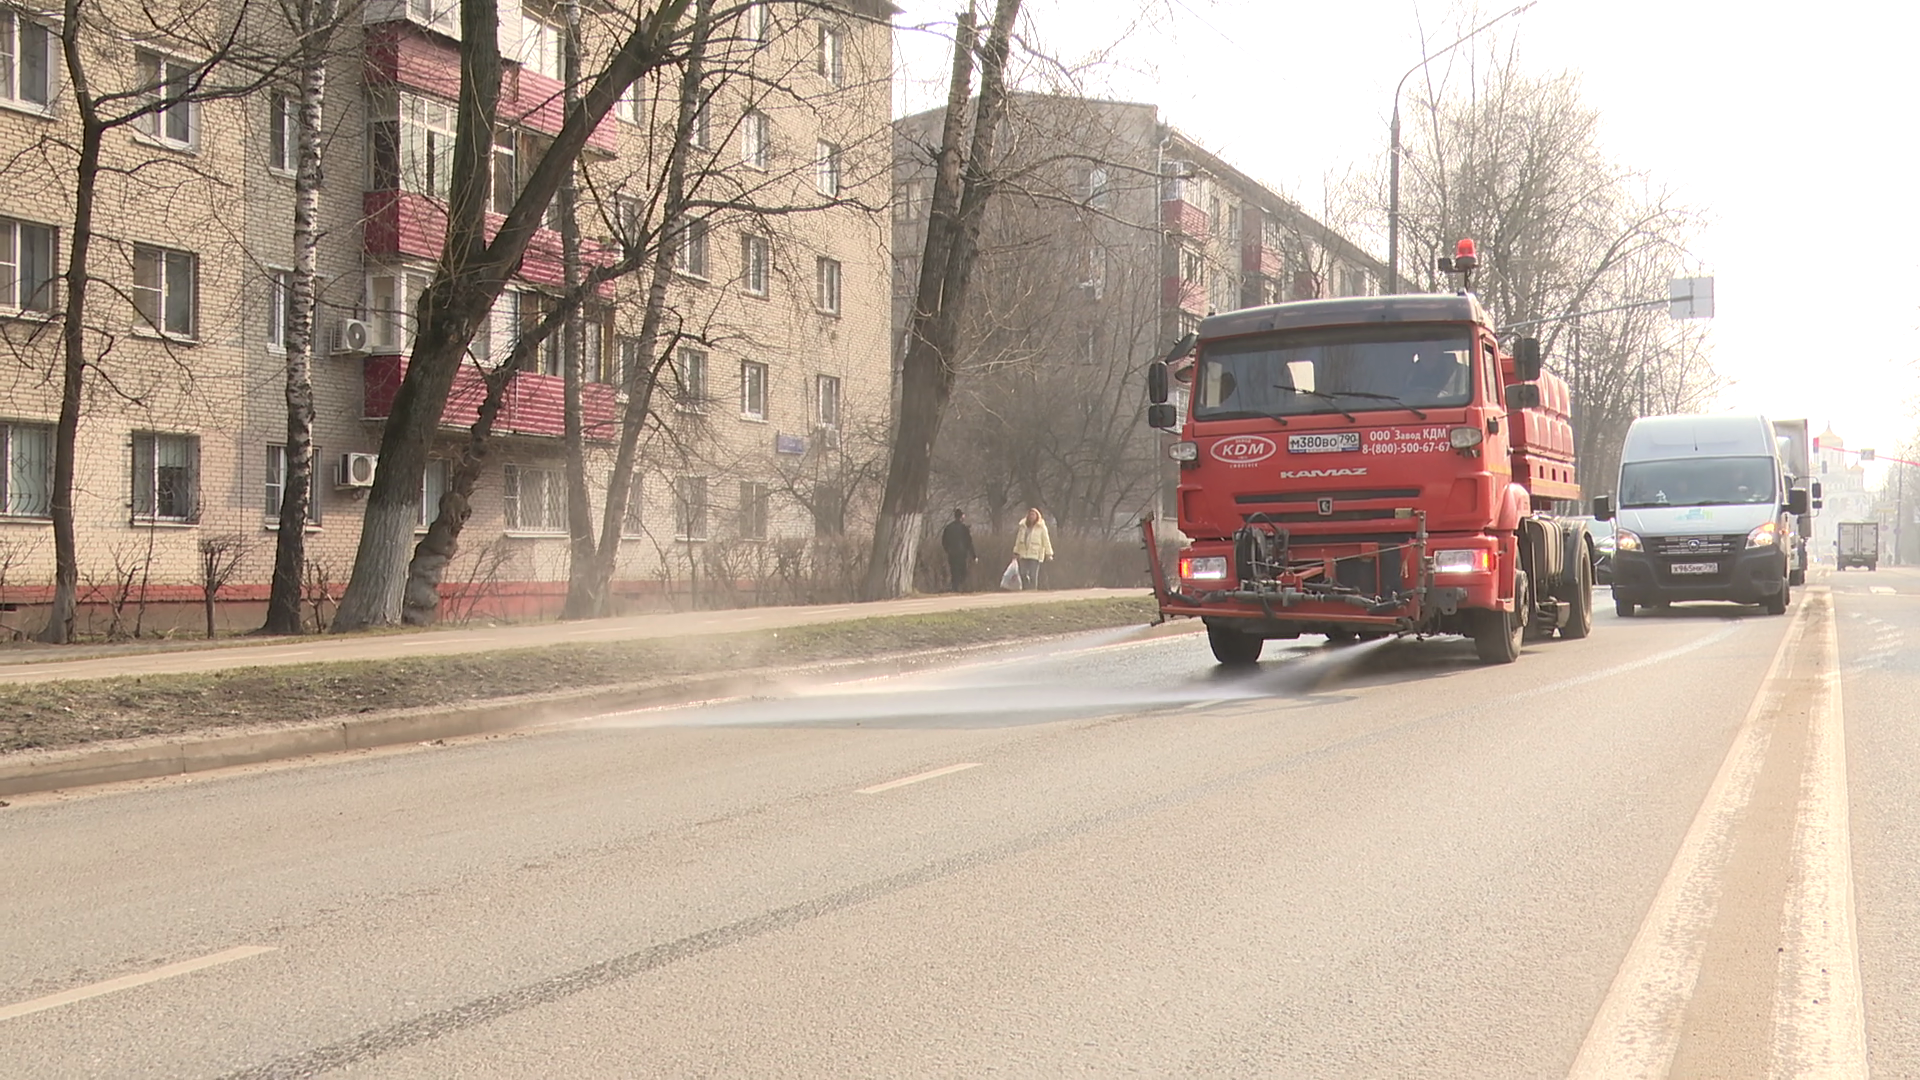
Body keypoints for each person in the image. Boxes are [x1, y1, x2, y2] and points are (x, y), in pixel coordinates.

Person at [1012, 507, 1054, 589]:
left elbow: (1046, 540)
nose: (1031, 516)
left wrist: (1049, 554)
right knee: (1022, 573)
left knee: (1033, 575)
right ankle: (1025, 589)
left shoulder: (1041, 527)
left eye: (1033, 515)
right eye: (1030, 515)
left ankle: (1033, 590)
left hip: (1035, 554)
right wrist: (1015, 551)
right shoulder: (1023, 526)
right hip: (1023, 553)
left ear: (1037, 516)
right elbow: (1018, 539)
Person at [939, 508, 976, 592]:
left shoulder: (948, 528)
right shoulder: (964, 528)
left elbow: (944, 541)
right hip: (962, 554)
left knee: (954, 571)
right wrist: (973, 555)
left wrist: (948, 550)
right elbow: (969, 543)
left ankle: (955, 587)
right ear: (961, 517)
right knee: (963, 571)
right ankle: (958, 587)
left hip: (952, 554)